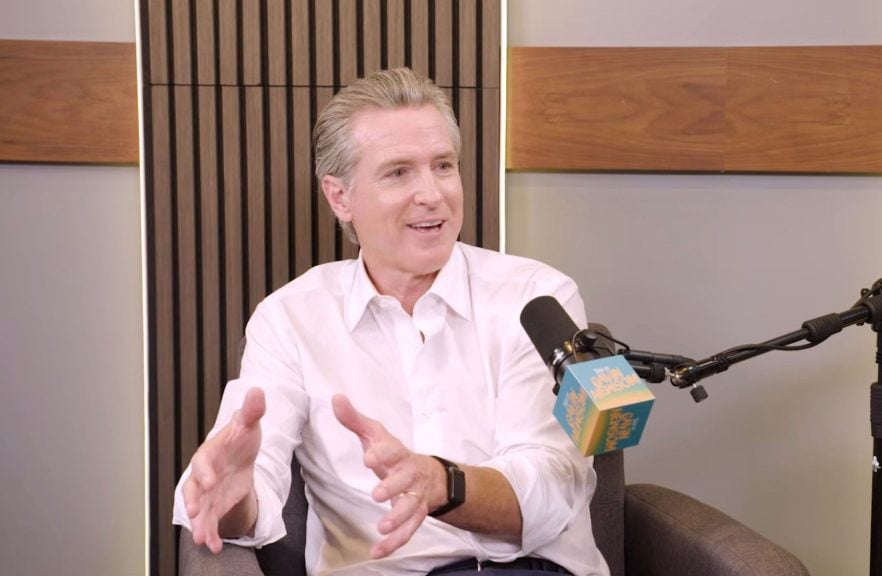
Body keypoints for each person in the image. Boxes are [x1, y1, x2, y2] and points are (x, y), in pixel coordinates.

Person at [172, 67, 609, 576]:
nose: (432, 194)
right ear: (340, 197)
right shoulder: (291, 318)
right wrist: (233, 498)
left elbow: (553, 486)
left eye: (443, 166)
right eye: (399, 172)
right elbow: (252, 490)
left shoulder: (537, 298)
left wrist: (442, 485)